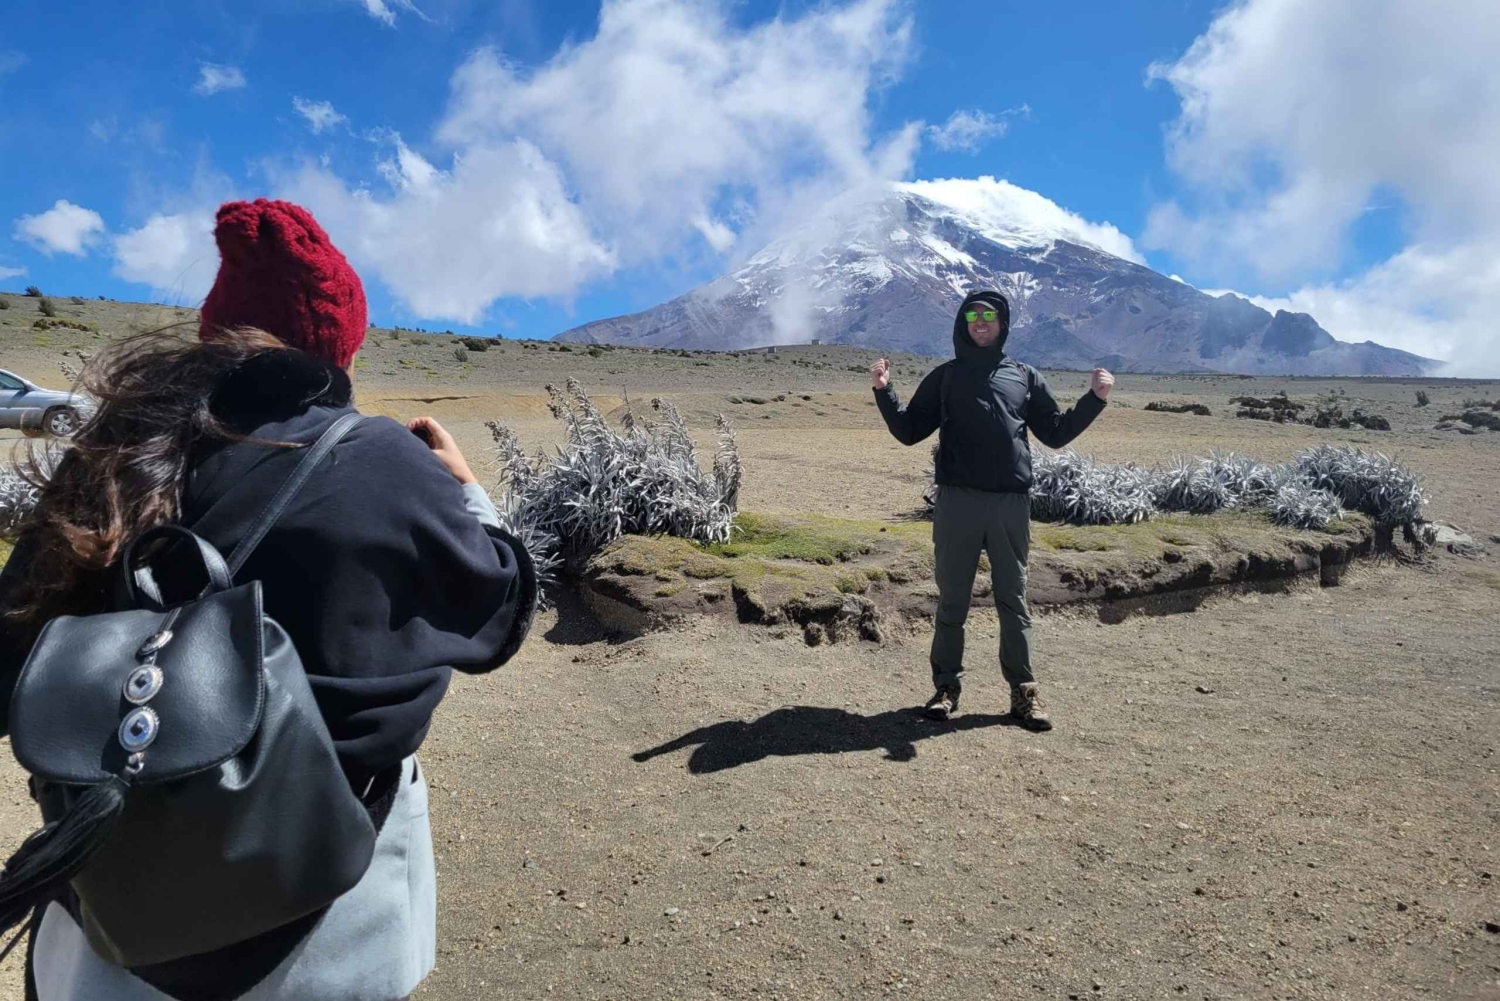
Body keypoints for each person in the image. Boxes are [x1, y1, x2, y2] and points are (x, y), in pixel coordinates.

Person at [0, 198, 537, 1000]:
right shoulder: (387, 461)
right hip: (328, 918)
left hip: (111, 921)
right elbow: (500, 615)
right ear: (338, 347)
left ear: (213, 336)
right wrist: (466, 492)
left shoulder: (117, 453)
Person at [871, 290, 1112, 730]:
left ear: (1003, 324)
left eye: (989, 316)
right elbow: (909, 431)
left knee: (1014, 600)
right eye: (972, 315)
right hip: (958, 501)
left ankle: (1024, 693)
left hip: (1009, 504)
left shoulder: (1024, 376)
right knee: (952, 600)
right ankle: (946, 688)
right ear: (962, 323)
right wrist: (884, 393)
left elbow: (1054, 433)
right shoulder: (944, 377)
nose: (980, 322)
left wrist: (1094, 398)